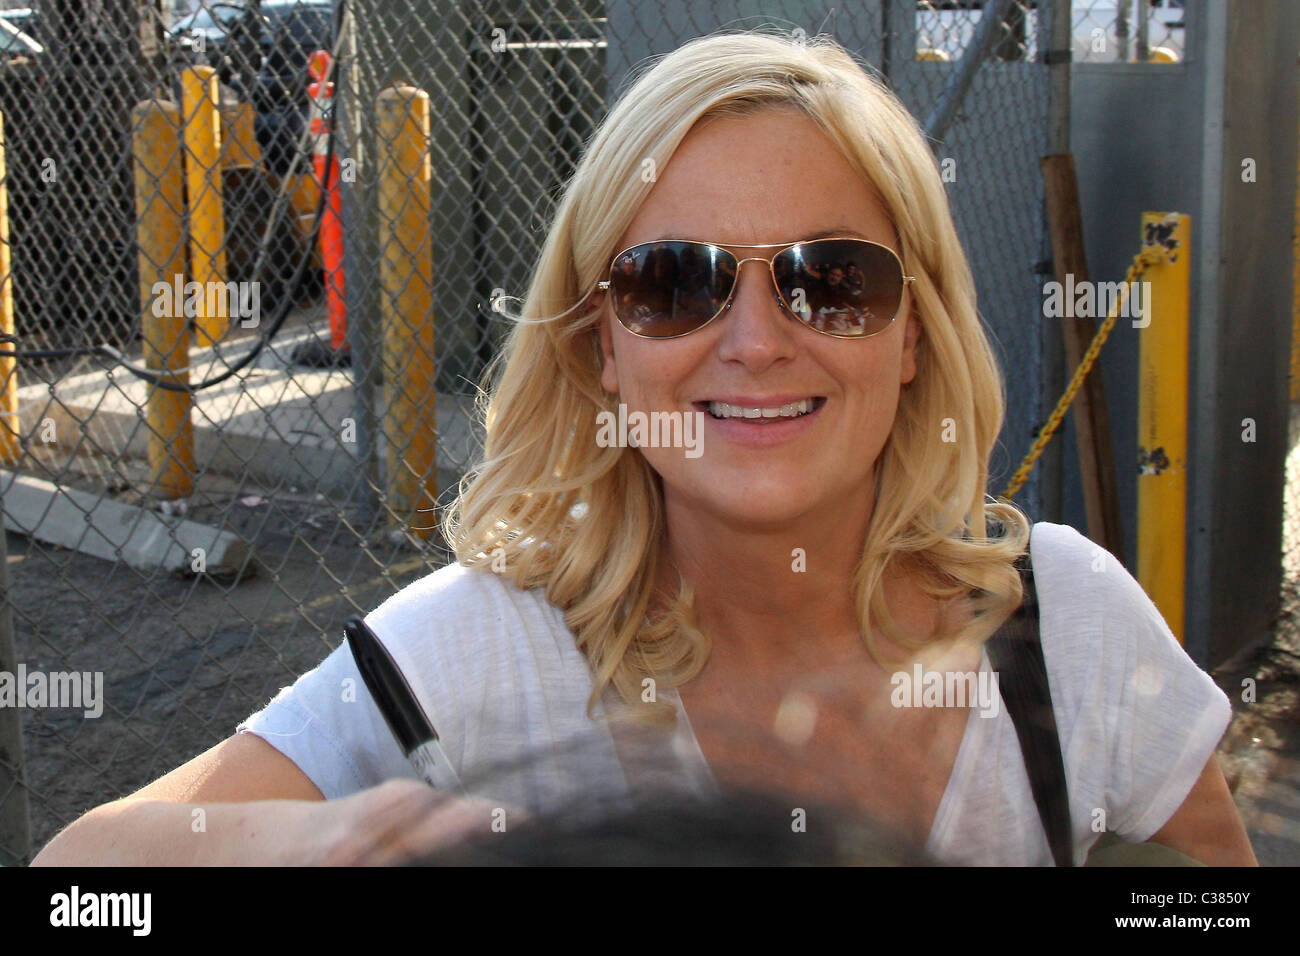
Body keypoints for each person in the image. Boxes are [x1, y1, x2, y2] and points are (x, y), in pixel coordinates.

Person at [32, 30, 1255, 866]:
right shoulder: (470, 657)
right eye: (674, 284)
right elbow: (86, 876)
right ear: (599, 346)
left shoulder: (1062, 629)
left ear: (915, 338)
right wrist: (323, 838)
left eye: (831, 280)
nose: (757, 342)